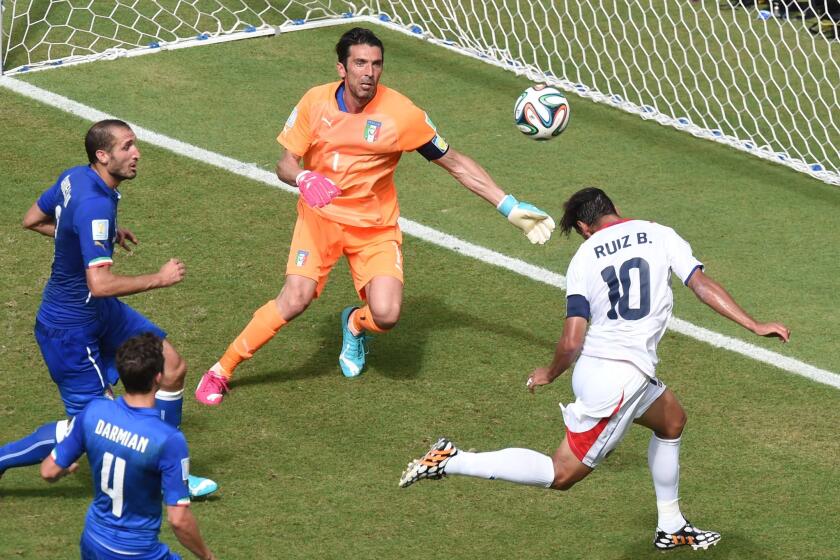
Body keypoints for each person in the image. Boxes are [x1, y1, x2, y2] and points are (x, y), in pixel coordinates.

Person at [399, 187, 791, 551]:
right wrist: (754, 324)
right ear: (612, 209)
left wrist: (550, 371)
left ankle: (671, 527)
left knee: (671, 420)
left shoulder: (584, 258)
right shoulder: (658, 233)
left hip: (605, 369)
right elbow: (701, 284)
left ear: (585, 227)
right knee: (561, 474)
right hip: (619, 379)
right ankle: (450, 459)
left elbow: (572, 339)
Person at [195, 27, 555, 404]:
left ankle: (354, 324)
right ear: (342, 68)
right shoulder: (315, 103)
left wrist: (508, 205)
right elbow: (285, 163)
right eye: (360, 63)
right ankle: (221, 369)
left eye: (376, 64)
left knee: (385, 315)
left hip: (374, 228)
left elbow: (454, 162)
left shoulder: (401, 114)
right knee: (294, 299)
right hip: (320, 221)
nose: (369, 72)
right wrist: (303, 177)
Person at [0, 119, 216, 498]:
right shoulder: (96, 203)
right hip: (69, 331)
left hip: (100, 314)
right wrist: (159, 278)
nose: (137, 154)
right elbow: (99, 284)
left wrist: (96, 236)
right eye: (127, 147)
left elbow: (32, 219)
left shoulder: (77, 178)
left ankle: (163, 468)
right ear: (103, 156)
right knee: (97, 427)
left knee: (172, 366)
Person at [41, 333, 216, 560]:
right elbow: (179, 520)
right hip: (137, 552)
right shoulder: (168, 439)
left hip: (93, 541)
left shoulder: (93, 412)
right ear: (159, 377)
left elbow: (48, 471)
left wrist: (64, 470)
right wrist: (208, 557)